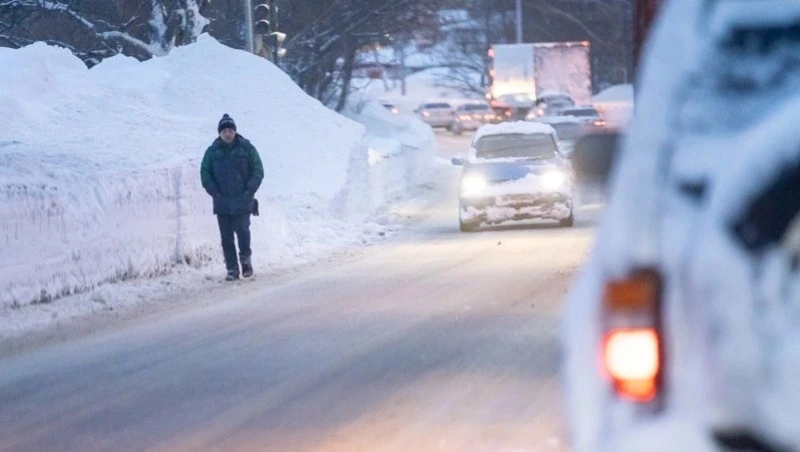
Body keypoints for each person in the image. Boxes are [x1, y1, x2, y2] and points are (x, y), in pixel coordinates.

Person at [200, 114, 264, 281]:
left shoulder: (247, 149)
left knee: (243, 232)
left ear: (235, 131)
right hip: (222, 202)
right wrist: (215, 192)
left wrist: (249, 190)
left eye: (230, 130)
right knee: (226, 238)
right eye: (224, 131)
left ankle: (246, 262)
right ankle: (232, 269)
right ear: (220, 133)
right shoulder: (212, 152)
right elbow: (205, 174)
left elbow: (258, 170)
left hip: (243, 200)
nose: (227, 134)